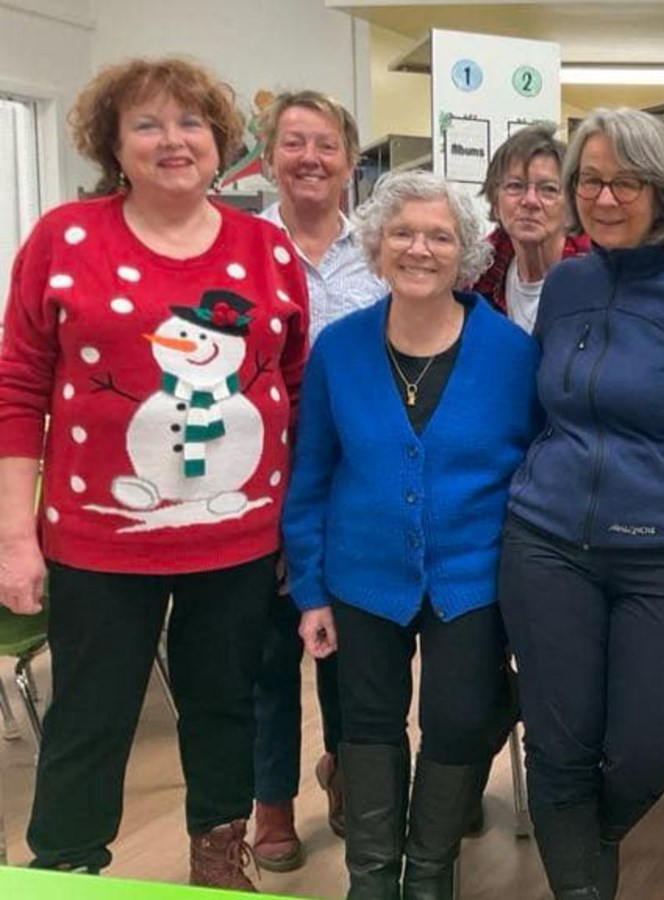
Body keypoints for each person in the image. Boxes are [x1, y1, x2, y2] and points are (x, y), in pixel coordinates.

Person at [0, 56, 309, 890]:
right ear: (113, 142)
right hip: (99, 542)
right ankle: (67, 867)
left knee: (222, 706)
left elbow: (294, 384)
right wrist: (13, 538)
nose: (173, 140)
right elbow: (19, 389)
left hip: (239, 536)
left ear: (220, 143)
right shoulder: (65, 239)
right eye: (148, 123)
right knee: (90, 717)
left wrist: (297, 528)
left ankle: (218, 857)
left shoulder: (266, 248)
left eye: (191, 124)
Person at [281, 170, 539, 900]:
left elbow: (533, 471)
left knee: (457, 721)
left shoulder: (512, 354)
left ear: (464, 253)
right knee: (365, 722)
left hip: (473, 577)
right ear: (375, 245)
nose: (419, 249)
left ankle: (428, 877)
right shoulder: (338, 348)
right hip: (360, 572)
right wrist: (309, 591)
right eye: (402, 233)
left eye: (438, 236)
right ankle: (371, 879)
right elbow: (312, 474)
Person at [497, 107, 664, 900]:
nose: (603, 197)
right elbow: (539, 409)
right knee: (559, 746)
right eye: (589, 180)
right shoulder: (562, 285)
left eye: (623, 180)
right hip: (547, 542)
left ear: (659, 189)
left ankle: (587, 842)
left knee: (647, 747)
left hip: (663, 550)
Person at [250, 88, 388, 872]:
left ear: (350, 160)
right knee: (270, 651)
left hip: (350, 477)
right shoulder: (237, 247)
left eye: (326, 144)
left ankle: (344, 766)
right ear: (269, 156)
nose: (310, 158)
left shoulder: (375, 250)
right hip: (260, 477)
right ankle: (272, 797)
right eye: (294, 143)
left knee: (349, 643)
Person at [472, 121, 590, 331]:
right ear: (495, 200)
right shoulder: (479, 275)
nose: (530, 201)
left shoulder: (595, 277)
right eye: (515, 186)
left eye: (548, 189)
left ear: (571, 204)